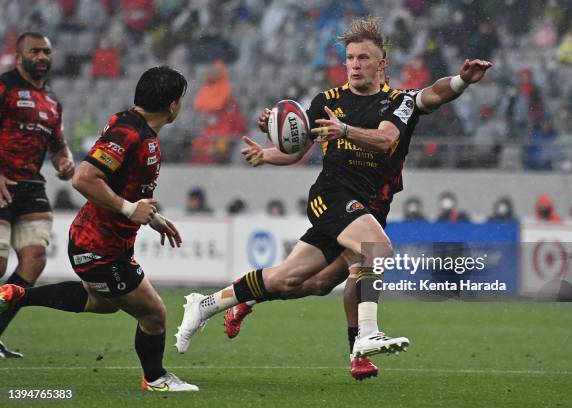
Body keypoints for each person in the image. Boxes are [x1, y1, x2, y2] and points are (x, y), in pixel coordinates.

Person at [175, 16, 492, 371]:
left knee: (301, 280)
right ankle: (364, 340)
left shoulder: (398, 102)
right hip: (332, 196)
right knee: (378, 250)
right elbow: (297, 150)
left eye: (364, 58)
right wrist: (269, 151)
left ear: (381, 64)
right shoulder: (326, 101)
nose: (355, 65)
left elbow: (399, 127)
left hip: (369, 207)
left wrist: (463, 80)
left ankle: (208, 304)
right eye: (351, 58)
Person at [0, 66, 198, 392]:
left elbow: (124, 188)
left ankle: (18, 295)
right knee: (153, 315)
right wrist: (128, 208)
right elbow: (83, 177)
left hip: (102, 244)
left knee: (103, 302)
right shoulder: (130, 133)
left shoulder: (136, 128)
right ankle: (156, 378)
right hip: (100, 247)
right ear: (173, 105)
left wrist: (150, 216)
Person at [0, 32, 75, 358]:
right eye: (35, 51)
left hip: (31, 185)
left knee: (33, 262)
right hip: (2, 182)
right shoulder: (5, 88)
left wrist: (65, 160)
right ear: (20, 56)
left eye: (47, 51)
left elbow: (57, 144)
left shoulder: (52, 102)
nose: (43, 56)